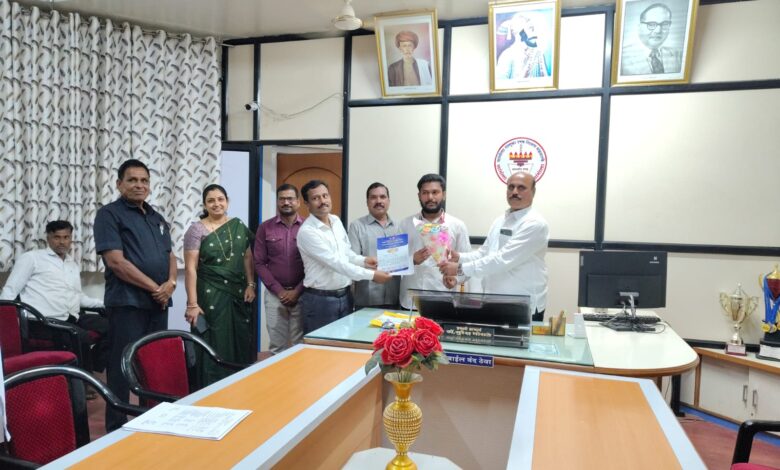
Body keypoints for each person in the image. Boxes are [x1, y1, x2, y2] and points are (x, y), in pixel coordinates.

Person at [94, 159, 177, 432]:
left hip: (158, 304)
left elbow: (170, 255)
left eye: (144, 180)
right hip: (127, 304)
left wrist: (171, 283)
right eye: (132, 180)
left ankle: (151, 419)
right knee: (122, 366)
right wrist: (156, 288)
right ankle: (116, 428)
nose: (139, 185)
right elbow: (116, 262)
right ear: (119, 184)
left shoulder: (156, 218)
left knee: (153, 365)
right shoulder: (109, 215)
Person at [439, 172, 549, 321]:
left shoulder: (535, 224)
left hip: (522, 305)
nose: (514, 192)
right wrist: (459, 258)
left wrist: (459, 268)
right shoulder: (500, 220)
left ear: (533, 192)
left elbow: (501, 260)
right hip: (493, 301)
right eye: (511, 187)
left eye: (521, 187)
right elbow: (484, 253)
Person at [0, 220, 108, 372]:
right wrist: (9, 322)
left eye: (66, 237)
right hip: (42, 321)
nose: (62, 242)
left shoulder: (71, 263)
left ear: (71, 239)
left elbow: (78, 297)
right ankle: (83, 379)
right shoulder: (32, 258)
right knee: (80, 336)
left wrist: (106, 303)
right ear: (48, 238)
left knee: (112, 325)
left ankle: (93, 366)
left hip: (71, 317)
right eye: (57, 237)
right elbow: (10, 290)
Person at [296, 180, 392, 333]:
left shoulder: (335, 220)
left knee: (344, 341)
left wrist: (365, 261)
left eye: (325, 195)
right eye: (315, 198)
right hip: (320, 301)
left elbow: (346, 253)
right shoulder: (307, 231)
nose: (322, 201)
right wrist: (372, 275)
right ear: (306, 203)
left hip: (345, 297)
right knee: (321, 344)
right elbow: (336, 263)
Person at [184, 184, 256, 384]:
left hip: (238, 293)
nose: (216, 204)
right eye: (211, 201)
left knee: (239, 336)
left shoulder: (238, 225)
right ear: (204, 205)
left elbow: (247, 257)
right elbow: (190, 268)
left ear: (227, 202)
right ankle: (211, 386)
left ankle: (239, 385)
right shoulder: (196, 229)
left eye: (220, 199)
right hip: (210, 293)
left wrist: (251, 284)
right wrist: (192, 304)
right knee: (214, 338)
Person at [398, 174, 471, 310]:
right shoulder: (405, 224)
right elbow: (393, 263)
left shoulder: (457, 226)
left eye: (435, 192)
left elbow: (468, 263)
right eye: (425, 193)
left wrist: (456, 280)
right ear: (419, 196)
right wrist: (411, 260)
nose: (430, 197)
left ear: (444, 195)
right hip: (410, 302)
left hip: (443, 300)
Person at [254, 184, 305, 354]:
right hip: (275, 296)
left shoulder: (309, 227)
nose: (286, 202)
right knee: (277, 346)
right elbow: (259, 262)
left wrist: (297, 291)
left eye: (290, 198)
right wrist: (279, 291)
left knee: (301, 345)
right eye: (282, 199)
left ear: (298, 202)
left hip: (303, 294)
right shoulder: (265, 228)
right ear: (277, 202)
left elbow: (314, 265)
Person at [348, 182, 401, 310]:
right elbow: (352, 261)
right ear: (367, 202)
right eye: (373, 197)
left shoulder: (399, 227)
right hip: (367, 299)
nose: (378, 201)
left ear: (388, 201)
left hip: (394, 297)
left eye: (382, 197)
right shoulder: (357, 226)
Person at [620, 3, 682, 76]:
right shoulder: (622, 57)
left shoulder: (678, 55)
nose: (658, 31)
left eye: (664, 24)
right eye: (651, 24)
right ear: (639, 27)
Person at [495, 13, 549, 81]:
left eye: (532, 28)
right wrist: (527, 67)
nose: (533, 31)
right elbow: (501, 83)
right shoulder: (507, 55)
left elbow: (547, 80)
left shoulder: (536, 51)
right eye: (529, 28)